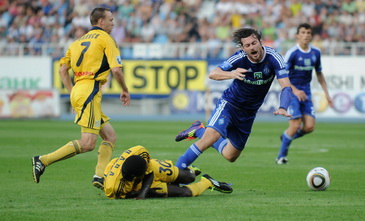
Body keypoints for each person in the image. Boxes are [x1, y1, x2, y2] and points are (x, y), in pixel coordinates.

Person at [31, 7, 130, 189]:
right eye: (110, 19)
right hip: (90, 90)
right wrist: (124, 89)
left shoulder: (77, 42)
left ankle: (100, 176)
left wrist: (72, 92)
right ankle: (43, 160)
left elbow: (62, 69)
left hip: (79, 89)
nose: (113, 23)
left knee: (110, 136)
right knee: (87, 143)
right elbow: (116, 69)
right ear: (101, 22)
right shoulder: (107, 39)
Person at [174, 27, 293, 169]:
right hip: (230, 104)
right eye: (247, 45)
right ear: (243, 48)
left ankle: (199, 130)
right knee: (211, 137)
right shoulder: (239, 58)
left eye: (254, 43)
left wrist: (283, 107)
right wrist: (231, 74)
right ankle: (177, 171)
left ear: (260, 42)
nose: (252, 47)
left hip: (248, 113)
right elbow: (213, 73)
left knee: (231, 155)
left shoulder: (274, 58)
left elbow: (286, 86)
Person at [276, 23, 333, 164]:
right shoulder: (292, 53)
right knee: (295, 125)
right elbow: (283, 76)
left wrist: (327, 94)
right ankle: (281, 157)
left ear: (311, 35)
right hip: (291, 91)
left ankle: (286, 137)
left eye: (308, 32)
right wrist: (295, 90)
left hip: (306, 92)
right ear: (297, 35)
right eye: (303, 32)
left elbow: (319, 74)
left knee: (309, 127)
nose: (306, 35)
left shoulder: (316, 53)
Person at [104, 145, 233, 199]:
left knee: (189, 177)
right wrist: (145, 192)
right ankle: (207, 182)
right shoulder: (115, 187)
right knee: (185, 193)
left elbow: (149, 173)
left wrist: (143, 194)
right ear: (134, 177)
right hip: (135, 186)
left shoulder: (139, 152)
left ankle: (191, 170)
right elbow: (128, 195)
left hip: (152, 167)